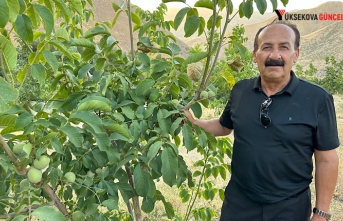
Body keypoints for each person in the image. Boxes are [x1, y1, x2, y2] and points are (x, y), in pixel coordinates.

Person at [184, 20, 339, 221]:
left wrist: (321, 213)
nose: (275, 55)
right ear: (255, 56)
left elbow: (327, 159)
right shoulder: (240, 90)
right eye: (266, 47)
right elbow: (224, 126)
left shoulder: (317, 99)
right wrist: (195, 123)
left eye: (284, 47)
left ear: (296, 54)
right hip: (239, 203)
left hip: (290, 207)